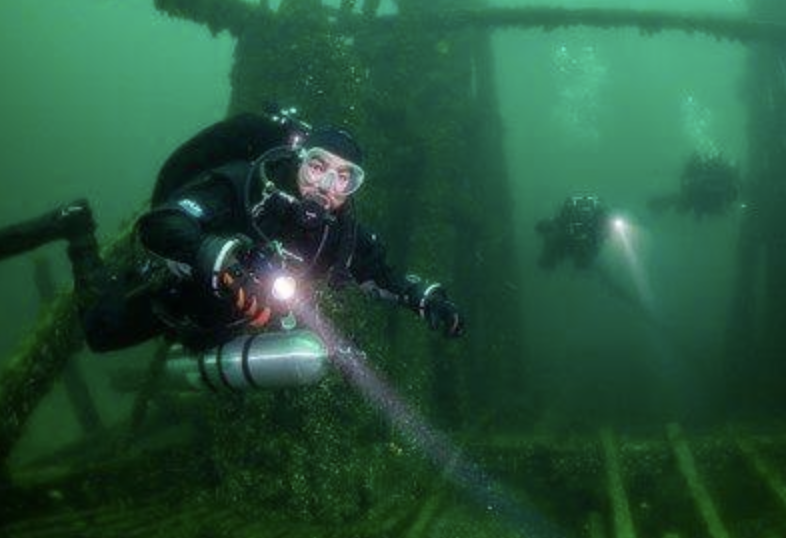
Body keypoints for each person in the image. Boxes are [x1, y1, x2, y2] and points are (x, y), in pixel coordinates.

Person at [1, 108, 463, 385]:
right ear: (297, 162)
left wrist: (425, 299)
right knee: (100, 333)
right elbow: (162, 224)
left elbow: (381, 276)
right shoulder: (244, 188)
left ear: (353, 188)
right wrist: (223, 258)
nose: (327, 185)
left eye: (345, 177)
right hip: (180, 293)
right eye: (318, 166)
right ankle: (77, 226)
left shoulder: (339, 236)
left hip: (229, 323)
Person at [647, 152, 740, 218]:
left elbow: (718, 200)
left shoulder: (725, 179)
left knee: (679, 202)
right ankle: (658, 205)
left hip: (697, 196)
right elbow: (716, 195)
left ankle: (658, 205)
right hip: (697, 196)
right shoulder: (725, 178)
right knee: (679, 202)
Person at [535, 195, 610, 270]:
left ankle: (585, 265)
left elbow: (604, 235)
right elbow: (542, 227)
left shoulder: (595, 222)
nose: (583, 212)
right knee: (548, 259)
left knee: (584, 264)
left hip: (581, 249)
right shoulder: (565, 218)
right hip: (567, 245)